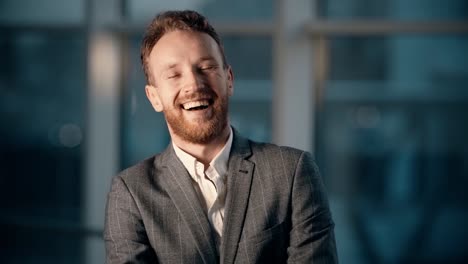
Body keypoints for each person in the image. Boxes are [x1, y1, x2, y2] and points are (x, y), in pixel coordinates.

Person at [104, 10, 338, 264]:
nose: (193, 84)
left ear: (229, 80)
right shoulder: (131, 192)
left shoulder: (292, 172)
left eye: (205, 67)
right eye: (174, 75)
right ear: (154, 97)